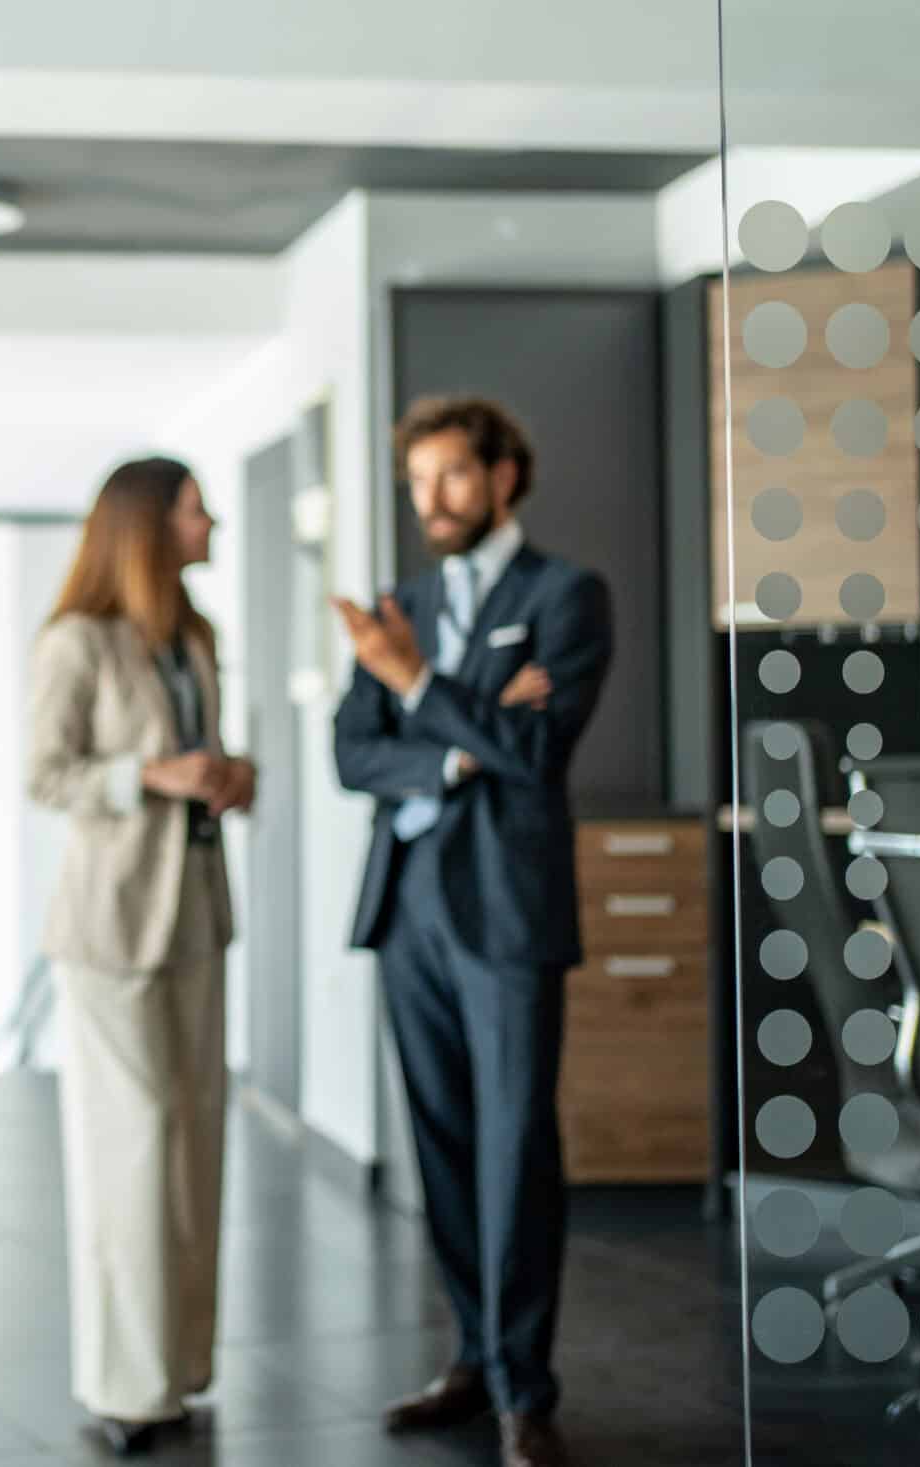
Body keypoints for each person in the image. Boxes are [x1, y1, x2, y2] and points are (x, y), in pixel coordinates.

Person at [331, 395, 613, 1467]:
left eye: (449, 476)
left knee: (514, 1149)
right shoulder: (397, 601)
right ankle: (470, 1357)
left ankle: (523, 1388)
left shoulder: (564, 597)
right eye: (416, 483)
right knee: (443, 1149)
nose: (430, 501)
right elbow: (351, 754)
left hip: (506, 912)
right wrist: (460, 738)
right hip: (408, 910)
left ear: (503, 476)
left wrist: (416, 686)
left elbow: (539, 753)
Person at [27, 457, 255, 1458]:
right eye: (194, 508)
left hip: (198, 914)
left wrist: (229, 774)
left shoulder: (192, 638)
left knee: (193, 1148)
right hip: (111, 926)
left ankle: (179, 1367)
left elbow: (198, 753)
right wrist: (151, 774)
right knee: (132, 1149)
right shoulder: (75, 641)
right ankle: (126, 1387)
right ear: (148, 527)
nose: (209, 522)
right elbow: (44, 773)